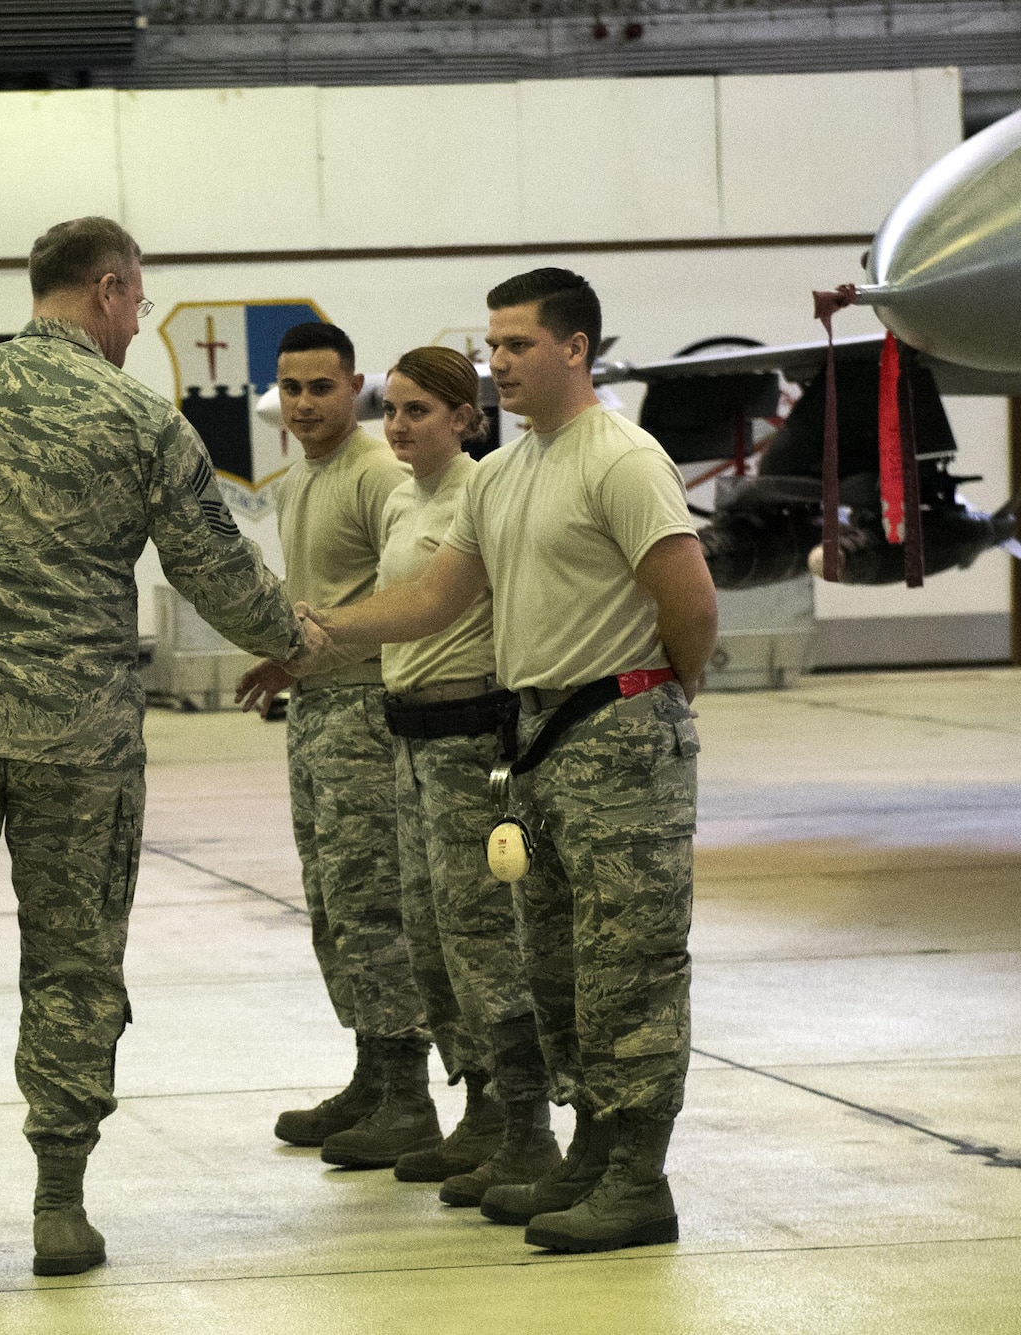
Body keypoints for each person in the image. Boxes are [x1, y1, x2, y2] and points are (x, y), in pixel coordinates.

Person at [0, 216, 314, 1282]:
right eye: (137, 302)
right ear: (103, 290)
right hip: (78, 736)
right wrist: (301, 641)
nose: (138, 322)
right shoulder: (140, 418)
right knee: (75, 965)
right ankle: (59, 1205)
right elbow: (218, 575)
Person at [299, 269, 717, 1254]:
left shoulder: (617, 457)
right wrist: (317, 630)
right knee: (558, 967)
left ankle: (638, 1179)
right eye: (491, 346)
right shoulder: (512, 470)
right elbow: (435, 599)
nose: (498, 364)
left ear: (574, 348)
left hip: (615, 731)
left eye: (517, 345)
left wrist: (654, 702)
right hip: (535, 741)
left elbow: (689, 603)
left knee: (630, 968)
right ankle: (588, 1154)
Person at [234, 321, 450, 1170]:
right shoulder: (297, 480)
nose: (304, 404)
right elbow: (328, 600)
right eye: (290, 389)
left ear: (353, 387)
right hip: (318, 713)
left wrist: (314, 650)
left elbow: (405, 605)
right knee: (331, 902)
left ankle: (409, 1095)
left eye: (322, 388)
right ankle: (371, 1071)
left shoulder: (377, 477)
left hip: (366, 717)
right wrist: (290, 657)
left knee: (374, 905)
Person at [368, 346, 564, 1203]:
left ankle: (530, 1125)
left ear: (466, 419)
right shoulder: (404, 500)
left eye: (419, 409)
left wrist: (312, 628)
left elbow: (430, 608)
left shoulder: (475, 493)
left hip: (466, 742)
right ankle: (482, 1105)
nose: (400, 424)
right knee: (433, 935)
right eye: (394, 408)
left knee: (486, 935)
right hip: (411, 739)